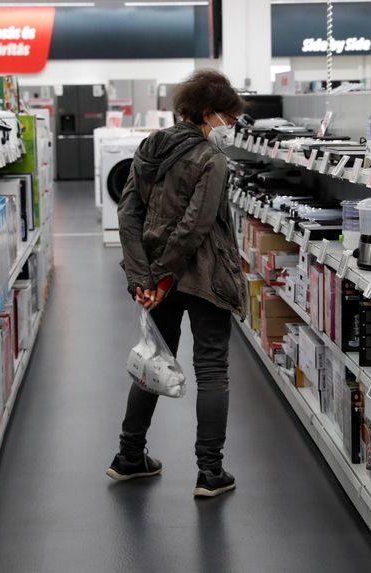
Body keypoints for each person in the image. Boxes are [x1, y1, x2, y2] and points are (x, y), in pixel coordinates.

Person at [109, 70, 247, 498]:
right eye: (228, 117)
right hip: (204, 277)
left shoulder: (149, 148)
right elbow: (196, 226)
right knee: (211, 369)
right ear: (208, 114)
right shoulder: (211, 158)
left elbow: (128, 215)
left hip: (155, 277)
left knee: (154, 359)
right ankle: (210, 472)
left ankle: (129, 456)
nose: (232, 126)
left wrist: (144, 278)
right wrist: (165, 275)